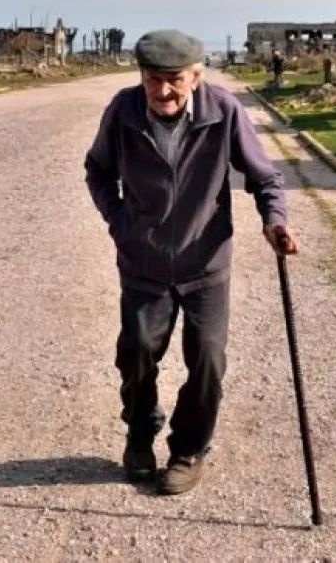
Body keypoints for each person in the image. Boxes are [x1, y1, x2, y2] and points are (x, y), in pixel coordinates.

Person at [84, 29, 298, 495]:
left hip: (206, 263)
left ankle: (188, 448)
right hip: (143, 261)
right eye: (153, 79)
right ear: (141, 75)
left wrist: (274, 220)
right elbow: (97, 170)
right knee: (136, 352)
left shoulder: (224, 112)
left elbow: (266, 177)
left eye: (175, 80)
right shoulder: (122, 112)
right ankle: (140, 432)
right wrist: (121, 224)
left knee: (207, 362)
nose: (163, 91)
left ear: (197, 77)